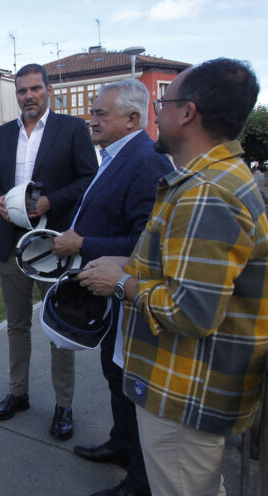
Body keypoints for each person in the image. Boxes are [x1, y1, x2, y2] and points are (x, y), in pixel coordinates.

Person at [76, 58, 267, 496]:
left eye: (163, 101)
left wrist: (121, 283)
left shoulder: (206, 193)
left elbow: (191, 311)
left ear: (188, 113)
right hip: (187, 387)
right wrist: (129, 265)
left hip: (187, 392)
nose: (155, 113)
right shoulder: (211, 180)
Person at [51, 79, 173, 496]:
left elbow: (146, 242)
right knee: (114, 372)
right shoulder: (116, 155)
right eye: (93, 112)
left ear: (132, 118)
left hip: (129, 294)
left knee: (130, 381)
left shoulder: (145, 161)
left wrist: (81, 243)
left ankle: (138, 482)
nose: (92, 120)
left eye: (101, 114)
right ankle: (122, 446)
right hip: (109, 295)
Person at [0, 64, 97, 439]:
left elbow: (87, 179)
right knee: (17, 325)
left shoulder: (72, 129)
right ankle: (19, 394)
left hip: (54, 245)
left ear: (48, 89)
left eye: (34, 89)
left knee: (59, 326)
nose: (28, 96)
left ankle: (64, 404)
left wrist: (51, 201)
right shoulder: (1, 134)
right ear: (15, 94)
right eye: (21, 91)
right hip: (12, 243)